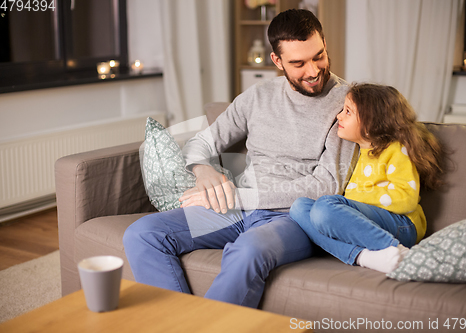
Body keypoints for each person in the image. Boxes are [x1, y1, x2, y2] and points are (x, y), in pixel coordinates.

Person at [123, 9, 358, 308]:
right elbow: (202, 141)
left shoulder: (348, 103)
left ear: (324, 43)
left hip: (294, 218)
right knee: (142, 234)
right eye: (298, 63)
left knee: (247, 250)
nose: (313, 71)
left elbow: (326, 186)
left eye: (319, 56)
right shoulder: (257, 97)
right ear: (277, 61)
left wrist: (240, 197)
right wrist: (201, 169)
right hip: (237, 211)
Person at [289, 83, 445, 274]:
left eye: (348, 112)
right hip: (366, 223)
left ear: (372, 122)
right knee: (299, 207)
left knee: (325, 208)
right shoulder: (356, 152)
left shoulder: (395, 149)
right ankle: (364, 257)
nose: (339, 116)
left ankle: (400, 252)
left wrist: (348, 203)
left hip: (402, 225)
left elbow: (407, 198)